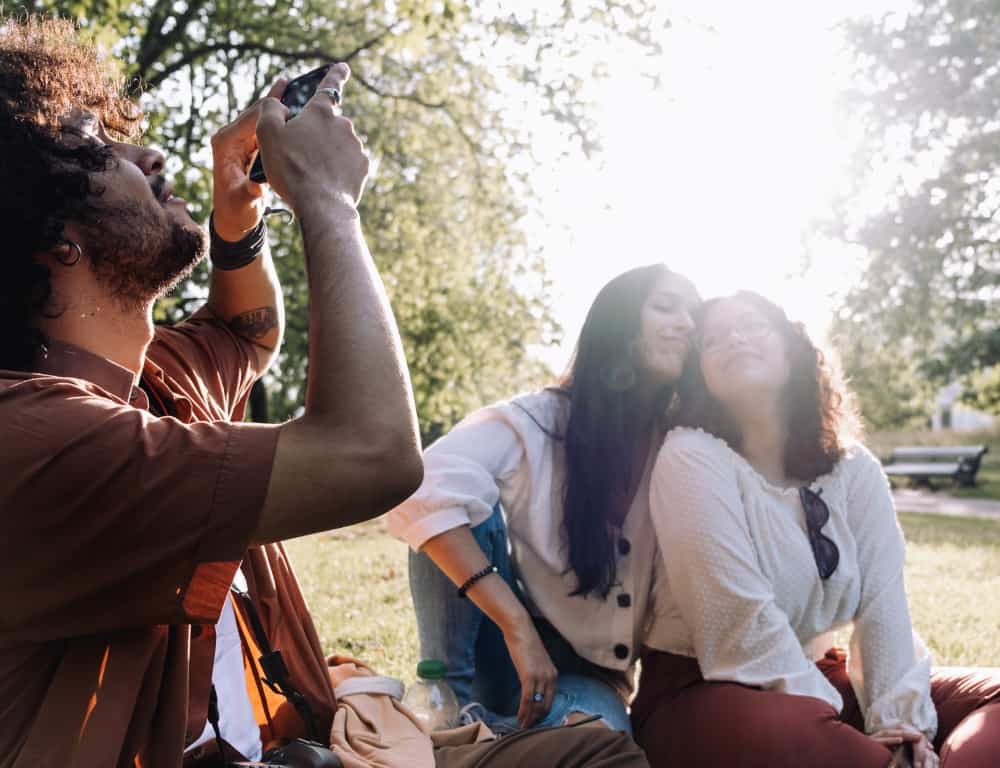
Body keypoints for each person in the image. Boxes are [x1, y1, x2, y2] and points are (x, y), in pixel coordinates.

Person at [0, 16, 650, 768]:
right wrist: (327, 202)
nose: (145, 154)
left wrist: (235, 209)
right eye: (96, 148)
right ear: (54, 237)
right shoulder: (35, 438)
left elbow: (246, 333)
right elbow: (372, 456)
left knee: (591, 755)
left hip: (305, 745)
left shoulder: (154, 382)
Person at [633, 290, 1000, 768]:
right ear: (700, 374)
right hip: (706, 691)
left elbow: (883, 606)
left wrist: (897, 725)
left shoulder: (854, 468)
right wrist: (844, 729)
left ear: (792, 346)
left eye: (751, 324)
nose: (733, 339)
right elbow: (739, 626)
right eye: (711, 340)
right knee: (814, 741)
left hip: (819, 676)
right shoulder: (690, 457)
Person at [387, 265, 700, 733]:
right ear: (619, 323)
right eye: (666, 306)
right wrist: (518, 627)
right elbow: (422, 486)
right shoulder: (540, 420)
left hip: (591, 678)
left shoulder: (686, 449)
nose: (688, 323)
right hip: (503, 650)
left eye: (695, 312)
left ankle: (478, 737)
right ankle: (453, 710)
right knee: (456, 504)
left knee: (600, 739)